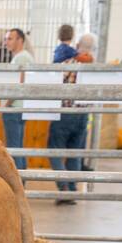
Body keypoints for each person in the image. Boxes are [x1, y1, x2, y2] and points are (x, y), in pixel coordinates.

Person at [48, 33, 96, 205]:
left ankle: (64, 188)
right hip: (83, 115)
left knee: (54, 150)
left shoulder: (68, 64)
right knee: (75, 152)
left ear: (77, 45)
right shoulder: (96, 68)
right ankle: (73, 188)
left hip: (65, 113)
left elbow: (55, 84)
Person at [2, 28, 34, 170]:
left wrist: (6, 104)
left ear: (20, 40)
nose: (6, 42)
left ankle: (19, 183)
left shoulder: (21, 58)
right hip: (21, 107)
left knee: (14, 148)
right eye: (6, 39)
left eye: (9, 39)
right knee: (18, 147)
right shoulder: (25, 56)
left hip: (14, 108)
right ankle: (22, 181)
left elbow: (18, 84)